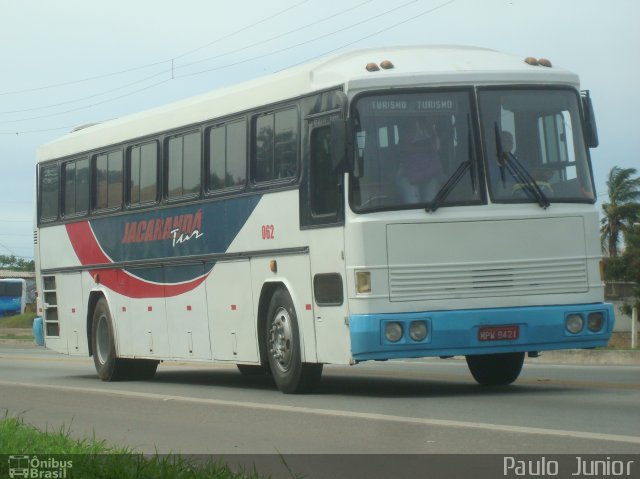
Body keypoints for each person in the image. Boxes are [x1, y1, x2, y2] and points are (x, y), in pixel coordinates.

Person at [396, 119, 444, 203]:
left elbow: (436, 146)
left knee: (432, 204)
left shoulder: (430, 129)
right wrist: (426, 148)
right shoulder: (409, 125)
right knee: (413, 203)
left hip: (429, 172)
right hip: (407, 174)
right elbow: (404, 146)